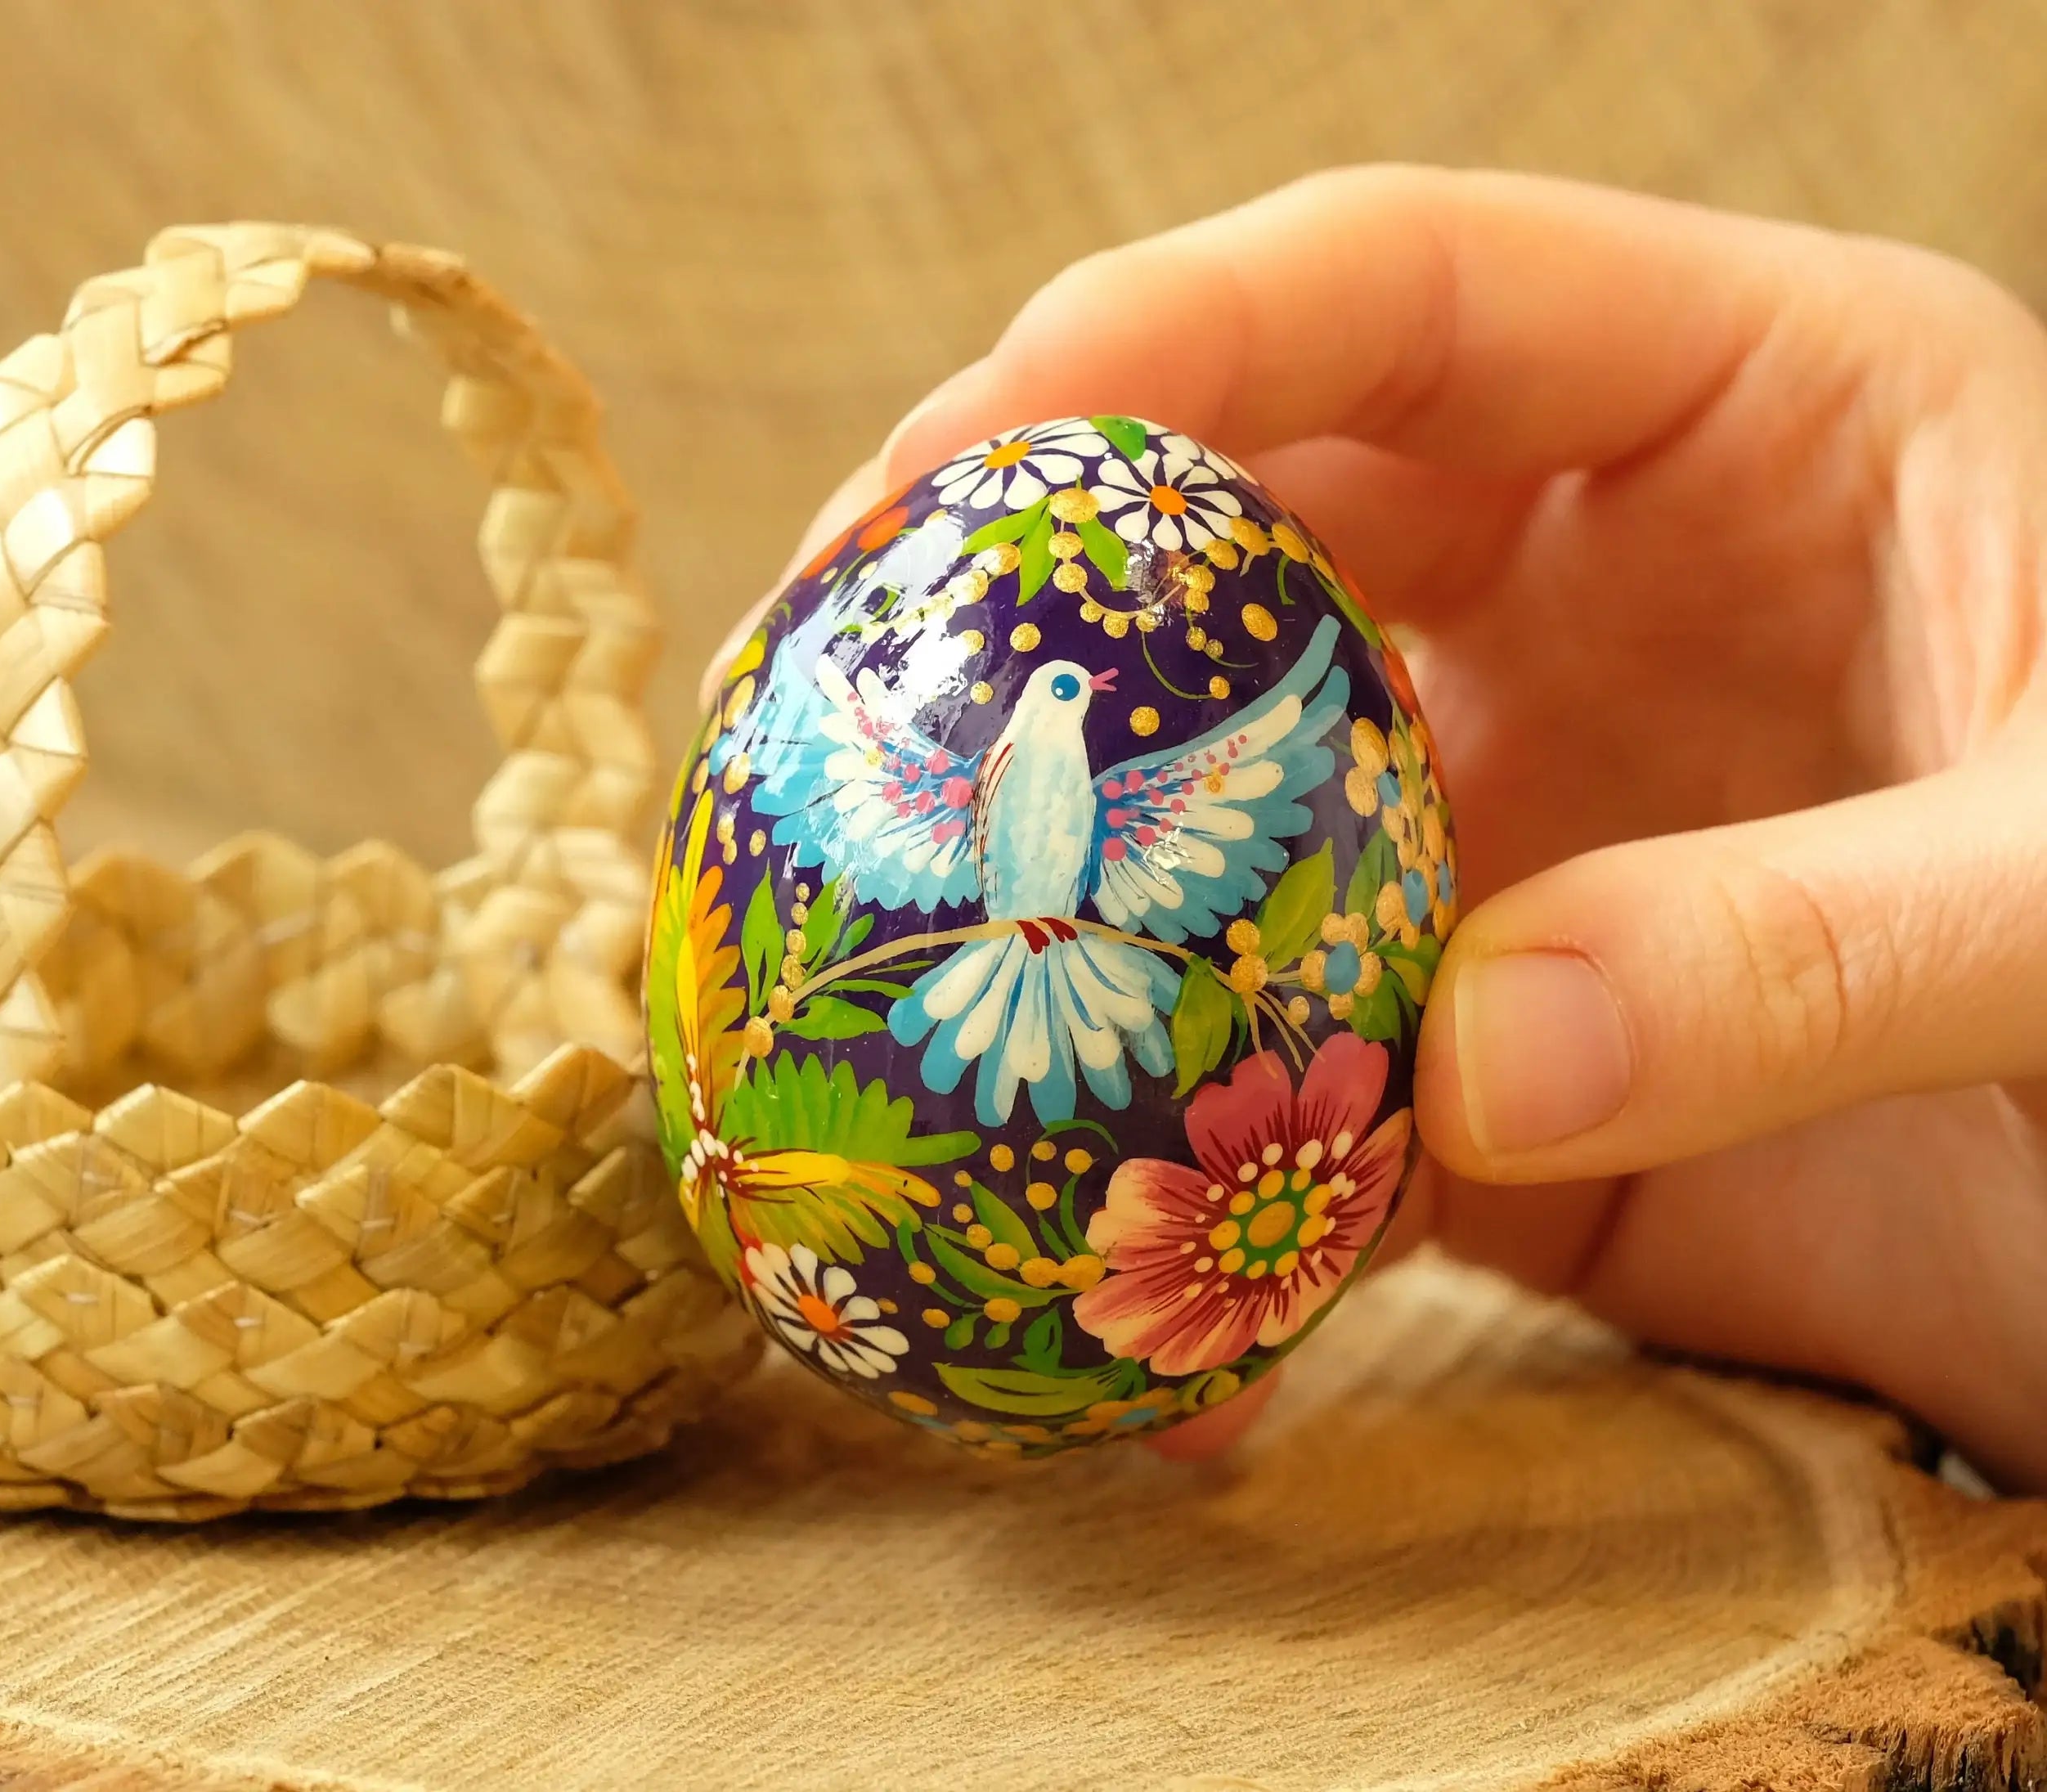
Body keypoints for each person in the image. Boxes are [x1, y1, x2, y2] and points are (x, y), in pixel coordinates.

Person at [706, 167, 2047, 1489]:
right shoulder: (975, 770)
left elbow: (1273, 750)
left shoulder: (1152, 765)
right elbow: (826, 739)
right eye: (1070, 685)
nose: (1082, 689)